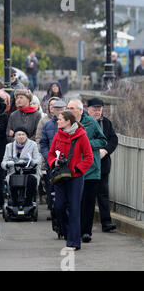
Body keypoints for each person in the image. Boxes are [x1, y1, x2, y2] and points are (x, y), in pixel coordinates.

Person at [48, 111, 94, 250]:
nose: (57, 121)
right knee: (59, 207)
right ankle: (69, 233)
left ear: (68, 121)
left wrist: (77, 169)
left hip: (75, 178)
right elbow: (50, 154)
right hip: (60, 176)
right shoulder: (58, 135)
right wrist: (54, 162)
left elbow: (88, 157)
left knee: (74, 209)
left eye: (60, 119)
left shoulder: (81, 136)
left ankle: (74, 242)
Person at [67, 99, 107, 243]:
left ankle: (86, 232)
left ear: (80, 110)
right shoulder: (66, 122)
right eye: (68, 107)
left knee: (89, 203)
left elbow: (103, 141)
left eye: (72, 108)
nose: (69, 110)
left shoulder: (91, 122)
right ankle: (74, 230)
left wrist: (87, 144)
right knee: (76, 202)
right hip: (74, 169)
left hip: (91, 169)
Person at [87, 98, 118, 232]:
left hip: (103, 164)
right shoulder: (84, 123)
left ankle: (106, 223)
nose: (97, 112)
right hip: (88, 165)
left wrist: (105, 150)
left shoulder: (106, 123)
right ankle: (85, 225)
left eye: (99, 109)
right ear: (88, 109)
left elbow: (113, 139)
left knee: (103, 194)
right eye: (94, 109)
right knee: (87, 196)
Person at [2, 127, 41, 208]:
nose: (21, 136)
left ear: (26, 136)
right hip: (14, 171)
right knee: (13, 179)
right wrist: (10, 163)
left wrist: (30, 162)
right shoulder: (9, 146)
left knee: (31, 180)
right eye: (19, 134)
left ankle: (28, 202)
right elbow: (3, 163)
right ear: (15, 136)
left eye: (23, 134)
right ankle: (15, 202)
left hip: (29, 171)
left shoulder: (33, 144)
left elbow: (38, 160)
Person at [39, 100, 66, 213]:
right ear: (52, 110)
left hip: (66, 162)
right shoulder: (47, 125)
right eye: (57, 109)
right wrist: (48, 157)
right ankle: (52, 210)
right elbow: (43, 143)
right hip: (52, 161)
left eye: (61, 109)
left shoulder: (70, 124)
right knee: (51, 186)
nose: (59, 111)